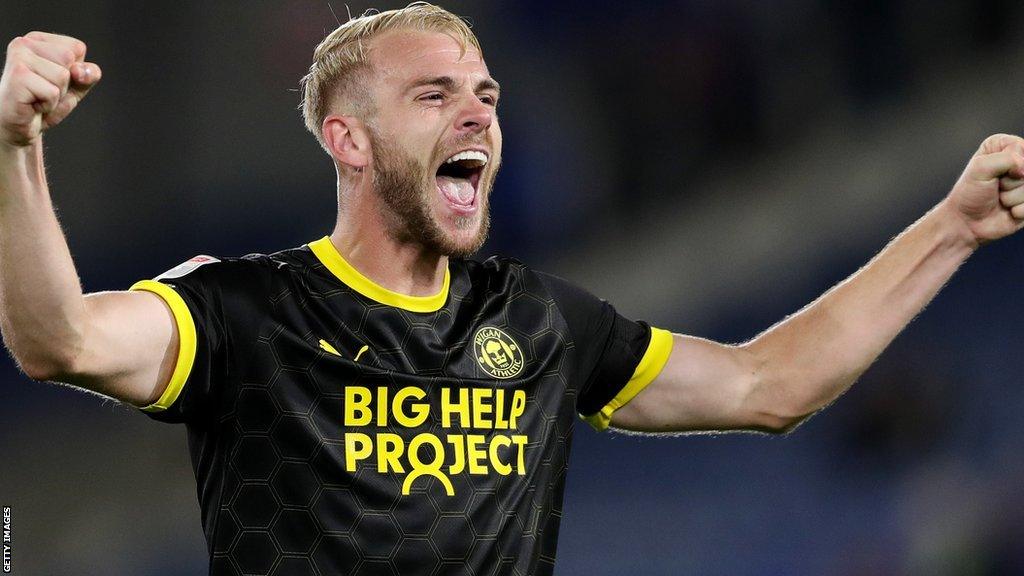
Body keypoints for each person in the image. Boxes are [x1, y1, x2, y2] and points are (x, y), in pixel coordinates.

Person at [2, 3, 1024, 575]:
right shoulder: (240, 310)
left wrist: (954, 226)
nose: (478, 117)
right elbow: (60, 340)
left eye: (486, 96)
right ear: (346, 139)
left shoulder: (538, 321)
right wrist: (14, 149)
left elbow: (767, 385)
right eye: (434, 95)